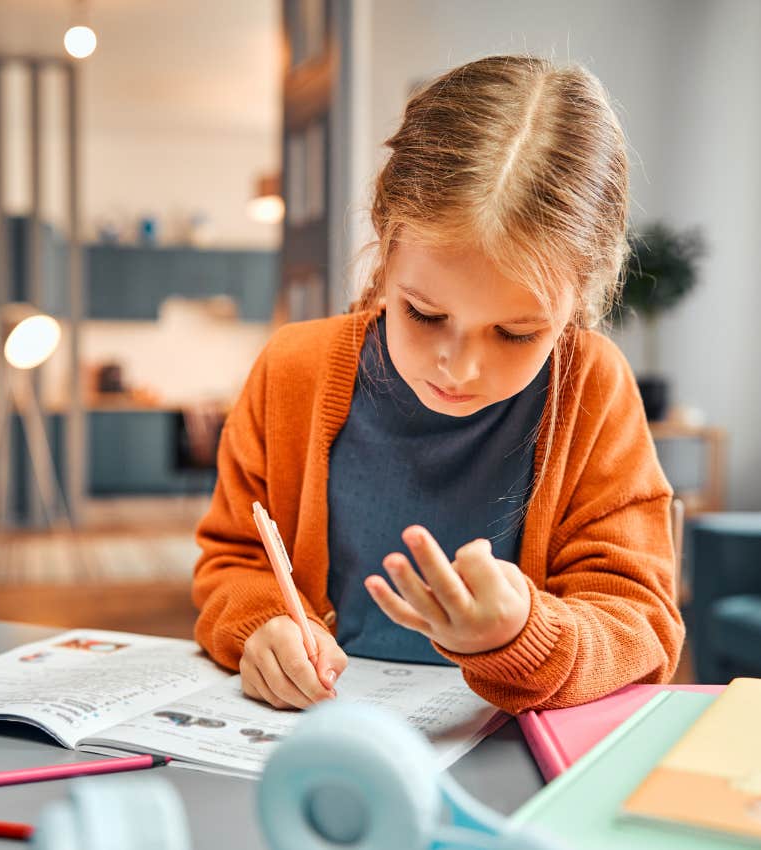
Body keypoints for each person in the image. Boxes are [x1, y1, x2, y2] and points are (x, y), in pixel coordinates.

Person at [192, 55, 685, 714]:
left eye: (515, 333)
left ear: (581, 299)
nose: (460, 367)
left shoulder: (592, 392)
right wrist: (264, 628)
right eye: (424, 314)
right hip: (320, 734)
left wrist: (525, 636)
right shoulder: (293, 371)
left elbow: (640, 623)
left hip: (512, 751)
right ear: (385, 244)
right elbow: (232, 561)